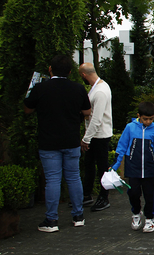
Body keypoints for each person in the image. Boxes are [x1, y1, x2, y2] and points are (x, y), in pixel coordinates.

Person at [24, 54, 92, 232]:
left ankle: (52, 220)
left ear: (50, 69)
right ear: (70, 72)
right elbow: (87, 111)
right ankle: (78, 216)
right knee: (74, 177)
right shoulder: (77, 88)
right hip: (71, 140)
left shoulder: (40, 87)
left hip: (49, 142)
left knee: (53, 180)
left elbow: (27, 109)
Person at [111, 102, 154, 233]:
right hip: (133, 167)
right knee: (133, 193)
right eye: (145, 119)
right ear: (139, 116)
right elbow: (121, 146)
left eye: (151, 119)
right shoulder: (130, 128)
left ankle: (150, 218)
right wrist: (115, 166)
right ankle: (136, 213)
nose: (148, 121)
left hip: (149, 168)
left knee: (150, 195)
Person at [79, 62, 114, 212]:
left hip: (100, 135)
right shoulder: (98, 87)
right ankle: (87, 194)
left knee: (101, 166)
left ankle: (103, 196)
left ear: (83, 75)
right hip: (96, 134)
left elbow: (96, 118)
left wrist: (86, 138)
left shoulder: (100, 91)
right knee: (89, 165)